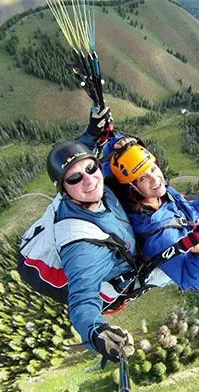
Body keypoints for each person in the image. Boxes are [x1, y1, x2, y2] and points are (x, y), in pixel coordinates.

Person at [108, 136, 199, 291]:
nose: (155, 180)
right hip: (186, 233)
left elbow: (113, 164)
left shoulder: (138, 192)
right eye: (143, 178)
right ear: (132, 188)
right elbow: (194, 279)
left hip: (179, 209)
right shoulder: (161, 239)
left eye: (153, 169)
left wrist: (121, 143)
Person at [45, 139, 138, 363]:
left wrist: (113, 141)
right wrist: (96, 333)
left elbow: (85, 158)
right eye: (74, 179)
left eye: (91, 168)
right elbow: (82, 299)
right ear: (64, 192)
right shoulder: (81, 246)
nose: (89, 180)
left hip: (125, 244)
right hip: (131, 274)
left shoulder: (95, 191)